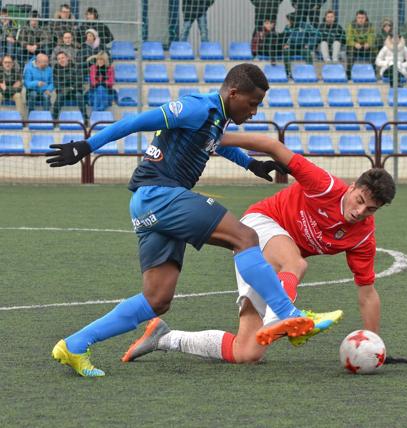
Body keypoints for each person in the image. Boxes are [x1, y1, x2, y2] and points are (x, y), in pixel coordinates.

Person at [45, 63, 342, 377]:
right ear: (233, 92)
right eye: (252, 103)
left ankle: (75, 344)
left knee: (157, 299)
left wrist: (251, 165)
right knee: (245, 237)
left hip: (151, 204)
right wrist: (86, 146)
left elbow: (213, 144)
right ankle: (286, 313)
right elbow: (135, 121)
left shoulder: (215, 119)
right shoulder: (196, 108)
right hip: (159, 194)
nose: (254, 111)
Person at [121, 145, 395, 365]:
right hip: (256, 227)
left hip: (268, 265)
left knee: (247, 353)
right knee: (295, 262)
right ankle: (282, 316)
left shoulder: (362, 236)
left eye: (370, 209)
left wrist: (373, 343)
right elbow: (271, 145)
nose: (360, 211)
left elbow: (367, 292)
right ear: (352, 188)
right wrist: (219, 138)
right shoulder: (324, 185)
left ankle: (164, 338)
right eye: (360, 201)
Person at [52, 51, 86, 122]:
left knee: (79, 96)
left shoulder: (75, 66)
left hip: (75, 90)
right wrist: (63, 89)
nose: (61, 60)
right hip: (63, 91)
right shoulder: (56, 68)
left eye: (63, 58)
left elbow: (79, 80)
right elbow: (56, 82)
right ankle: (54, 119)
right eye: (59, 59)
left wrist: (71, 88)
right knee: (59, 97)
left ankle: (85, 118)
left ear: (67, 58)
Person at [282, 12, 319, 78]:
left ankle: (310, 72)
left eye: (289, 20)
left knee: (307, 53)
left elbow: (317, 34)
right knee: (286, 52)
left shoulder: (304, 26)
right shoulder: (287, 27)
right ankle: (288, 73)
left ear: (293, 20)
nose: (288, 22)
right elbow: (283, 38)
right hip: (291, 48)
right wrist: (285, 44)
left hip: (302, 47)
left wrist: (309, 44)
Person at [345, 9, 375, 80]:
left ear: (366, 18)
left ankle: (373, 72)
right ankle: (349, 73)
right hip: (355, 47)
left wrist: (369, 43)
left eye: (362, 18)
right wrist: (354, 43)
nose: (360, 20)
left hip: (366, 47)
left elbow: (372, 36)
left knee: (373, 52)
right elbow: (348, 38)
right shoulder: (351, 25)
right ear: (356, 18)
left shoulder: (370, 26)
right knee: (351, 52)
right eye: (359, 18)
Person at [0, 55, 26, 119]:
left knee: (18, 95)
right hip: (2, 94)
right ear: (2, 63)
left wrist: (5, 88)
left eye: (9, 62)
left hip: (13, 94)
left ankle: (20, 119)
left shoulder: (17, 72)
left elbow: (19, 89)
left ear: (12, 63)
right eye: (5, 62)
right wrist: (12, 88)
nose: (7, 64)